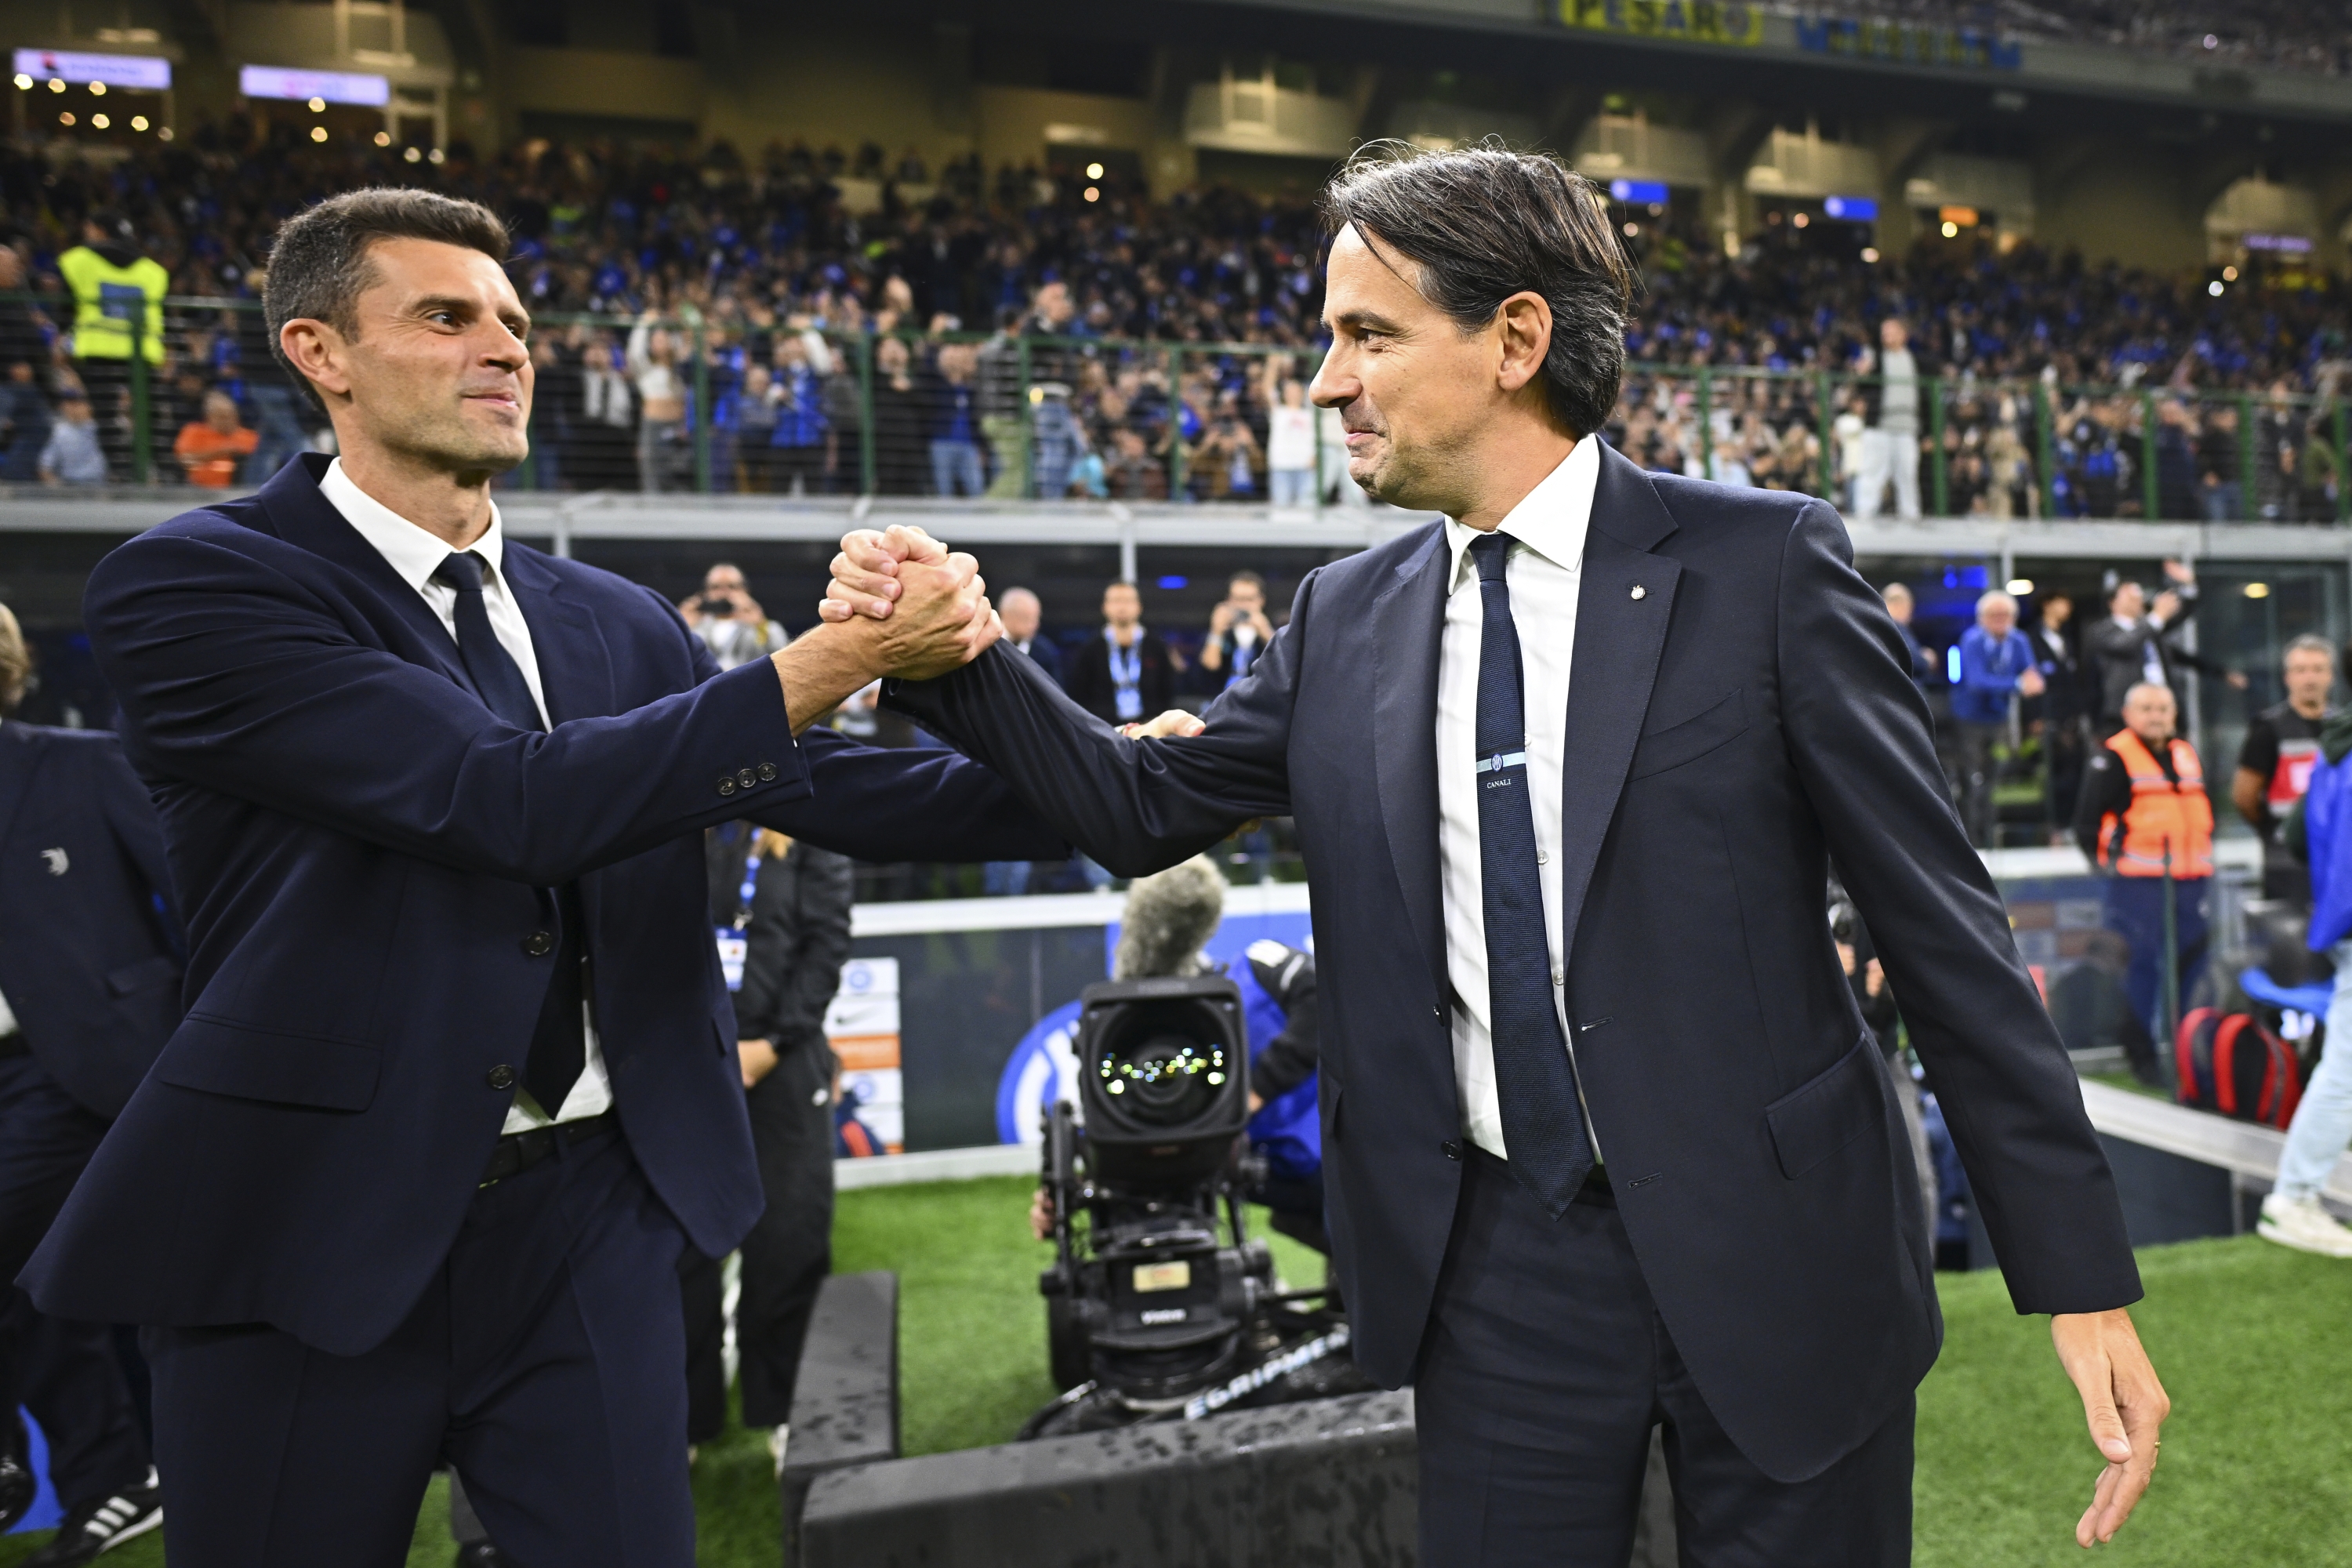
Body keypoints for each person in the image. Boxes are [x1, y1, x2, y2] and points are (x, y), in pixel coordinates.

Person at [834, 143, 2165, 1562]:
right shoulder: (1344, 619)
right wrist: (959, 656)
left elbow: (1941, 928)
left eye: (1367, 336)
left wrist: (2076, 1278)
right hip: (1493, 1278)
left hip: (1782, 1255)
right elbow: (1131, 806)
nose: (1326, 382)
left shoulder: (1764, 567)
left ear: (1516, 339)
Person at [20, 188, 1063, 1568]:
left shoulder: (613, 617)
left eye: (513, 322)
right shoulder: (199, 582)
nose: (505, 349)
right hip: (312, 1215)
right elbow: (495, 800)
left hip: (597, 1211)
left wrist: (1110, 767)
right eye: (445, 317)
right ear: (318, 351)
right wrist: (849, 654)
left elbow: (827, 786)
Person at [0, 603, 179, 1563]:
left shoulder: (74, 763)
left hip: (80, 1068)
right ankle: (112, 1477)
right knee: (39, 1291)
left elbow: (198, 897)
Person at [684, 822, 854, 1475]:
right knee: (681, 1252)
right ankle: (685, 1419)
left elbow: (826, 944)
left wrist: (773, 1044)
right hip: (690, 1065)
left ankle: (785, 1409)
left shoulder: (813, 829)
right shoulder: (684, 823)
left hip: (782, 1065)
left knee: (788, 1241)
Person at [2074, 683, 2212, 1081]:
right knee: (2141, 972)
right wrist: (2110, 873)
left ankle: (2191, 1056)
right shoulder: (2114, 757)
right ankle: (2143, 1059)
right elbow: (2087, 824)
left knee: (2192, 972)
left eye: (2164, 709)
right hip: (2138, 888)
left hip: (2190, 883)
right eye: (2148, 708)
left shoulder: (2184, 752)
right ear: (2129, 714)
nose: (2157, 716)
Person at [2262, 701, 2352, 1257]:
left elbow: (2296, 835)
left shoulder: (2333, 751)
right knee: (2346, 1070)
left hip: (2342, 917)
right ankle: (2293, 1197)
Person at [2232, 633, 2336, 905]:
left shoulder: (2343, 728)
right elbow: (2245, 797)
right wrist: (2273, 830)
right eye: (2301, 670)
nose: (2310, 679)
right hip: (2287, 859)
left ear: (2331, 676)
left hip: (2339, 855)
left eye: (2318, 669)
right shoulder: (2268, 729)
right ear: (2287, 677)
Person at [56, 212, 167, 466]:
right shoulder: (152, 270)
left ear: (98, 230)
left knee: (105, 413)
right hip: (143, 351)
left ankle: (119, 468)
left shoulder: (78, 260)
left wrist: (64, 341)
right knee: (148, 413)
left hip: (98, 348)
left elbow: (65, 311)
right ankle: (160, 467)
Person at [2083, 564, 2245, 734]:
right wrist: (2156, 617)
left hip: (2163, 711)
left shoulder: (2152, 629)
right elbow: (2127, 645)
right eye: (2129, 595)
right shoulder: (2102, 631)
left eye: (2138, 596)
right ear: (2113, 602)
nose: (2137, 599)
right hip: (2124, 718)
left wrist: (2188, 586)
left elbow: (2180, 630)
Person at [1951, 590, 2045, 848]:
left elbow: (2033, 676)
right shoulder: (1971, 640)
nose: (2000, 619)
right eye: (1994, 615)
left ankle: (1993, 836)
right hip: (1970, 718)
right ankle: (1971, 841)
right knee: (1973, 780)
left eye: (2005, 614)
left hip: (1999, 718)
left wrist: (2029, 681)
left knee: (1996, 781)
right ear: (1982, 618)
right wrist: (2016, 684)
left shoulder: (2019, 640)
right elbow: (1976, 681)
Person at [985, 588, 1060, 896]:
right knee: (992, 820)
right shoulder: (981, 645)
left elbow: (1057, 699)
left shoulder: (1045, 653)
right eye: (1030, 618)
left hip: (1032, 750)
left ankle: (1020, 895)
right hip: (987, 748)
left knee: (1025, 819)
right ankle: (994, 895)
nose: (1036, 625)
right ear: (1010, 617)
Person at [1063, 580, 1175, 726]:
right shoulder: (1090, 650)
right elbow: (1079, 693)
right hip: (1104, 730)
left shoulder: (1157, 647)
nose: (1122, 607)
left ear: (1139, 607)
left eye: (1128, 601)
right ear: (1104, 607)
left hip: (1149, 728)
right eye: (1116, 601)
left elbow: (1168, 690)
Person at [1853, 318, 1929, 521]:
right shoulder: (1875, 357)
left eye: (1891, 330)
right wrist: (1861, 375)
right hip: (1879, 427)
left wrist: (1927, 430)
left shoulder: (1916, 360)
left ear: (1904, 334)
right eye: (1883, 331)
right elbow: (1862, 387)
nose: (1886, 334)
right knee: (1872, 474)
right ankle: (1865, 517)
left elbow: (1926, 395)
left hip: (1907, 428)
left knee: (1907, 476)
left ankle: (1910, 517)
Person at [2032, 592, 2091, 839]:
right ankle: (2053, 827)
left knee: (2075, 770)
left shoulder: (2069, 637)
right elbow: (2032, 681)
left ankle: (2070, 826)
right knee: (2053, 773)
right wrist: (2034, 717)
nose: (2067, 607)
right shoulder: (2032, 638)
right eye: (2062, 602)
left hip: (2072, 717)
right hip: (2047, 717)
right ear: (2048, 604)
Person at [677, 562, 788, 672]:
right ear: (705, 593)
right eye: (716, 587)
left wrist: (760, 624)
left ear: (745, 591)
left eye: (732, 587)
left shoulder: (763, 627)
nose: (724, 593)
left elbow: (782, 657)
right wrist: (680, 627)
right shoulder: (696, 627)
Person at [1196, 571, 1276, 693]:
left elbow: (1281, 668)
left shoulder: (1271, 633)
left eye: (1249, 599)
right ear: (1229, 600)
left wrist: (1266, 632)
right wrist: (1216, 631)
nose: (1243, 605)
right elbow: (1210, 667)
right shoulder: (1221, 632)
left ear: (1261, 600)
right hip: (1222, 697)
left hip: (1260, 698)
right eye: (1238, 599)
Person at [927, 342, 985, 498]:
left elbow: (976, 420)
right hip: (942, 443)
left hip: (968, 445)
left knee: (976, 488)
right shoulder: (938, 385)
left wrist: (980, 446)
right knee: (944, 490)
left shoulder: (972, 388)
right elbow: (926, 366)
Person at [172, 390, 259, 489]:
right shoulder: (194, 432)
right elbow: (185, 460)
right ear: (209, 417)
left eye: (231, 416)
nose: (227, 421)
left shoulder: (249, 435)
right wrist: (220, 452)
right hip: (199, 489)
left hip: (238, 490)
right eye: (221, 417)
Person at [1266, 376, 1318, 507]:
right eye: (1290, 391)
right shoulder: (1278, 412)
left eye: (1297, 391)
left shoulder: (1310, 413)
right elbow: (1267, 389)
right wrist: (1273, 363)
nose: (1294, 394)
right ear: (1284, 394)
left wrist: (1314, 456)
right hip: (1281, 465)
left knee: (1306, 508)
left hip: (1305, 466)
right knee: (1281, 506)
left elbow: (1314, 438)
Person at [37, 396, 106, 487]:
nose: (74, 409)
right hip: (72, 485)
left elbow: (87, 411)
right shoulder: (59, 432)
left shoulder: (91, 427)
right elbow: (44, 466)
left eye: (77, 405)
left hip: (97, 483)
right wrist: (58, 489)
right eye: (70, 405)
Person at [1880, 580, 1931, 688]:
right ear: (1898, 605)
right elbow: (1914, 662)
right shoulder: (1897, 628)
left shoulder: (1877, 627)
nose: (1910, 614)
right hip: (1901, 695)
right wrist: (1926, 659)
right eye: (1909, 607)